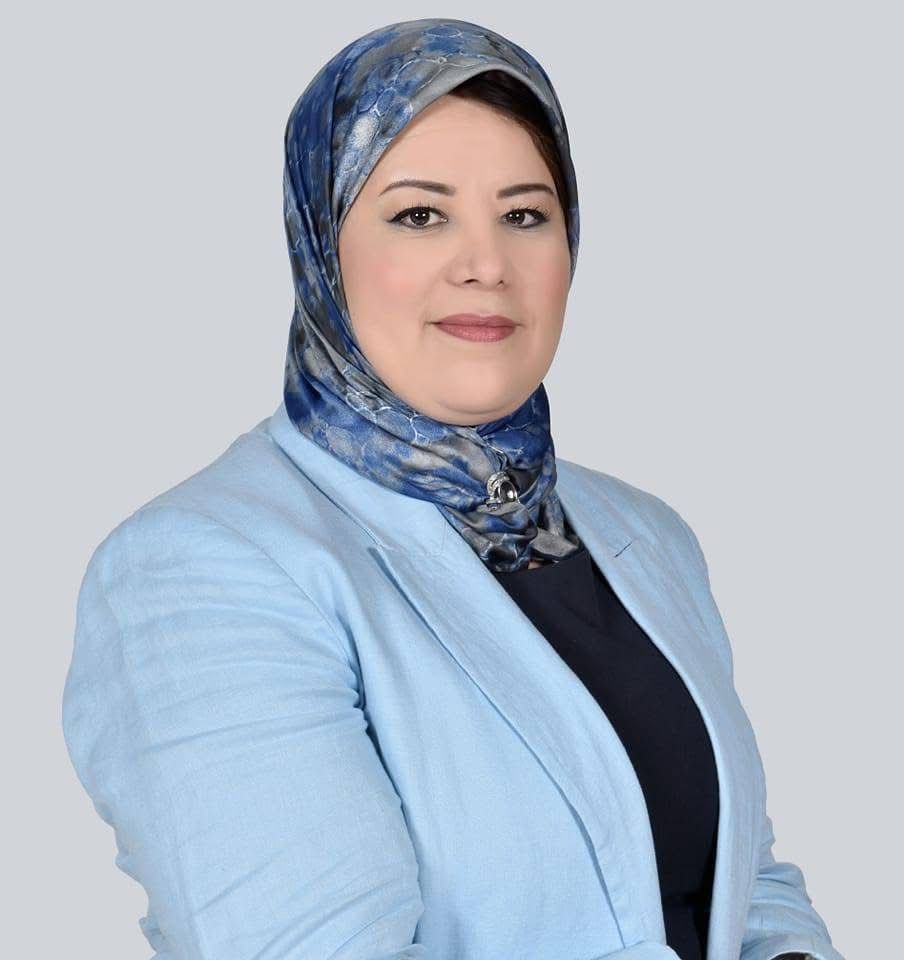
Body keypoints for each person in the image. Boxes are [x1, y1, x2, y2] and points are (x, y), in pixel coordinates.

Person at [61, 17, 846, 960]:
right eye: (419, 215)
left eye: (525, 215)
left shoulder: (642, 533)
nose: (486, 264)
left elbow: (742, 885)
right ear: (321, 246)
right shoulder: (201, 569)